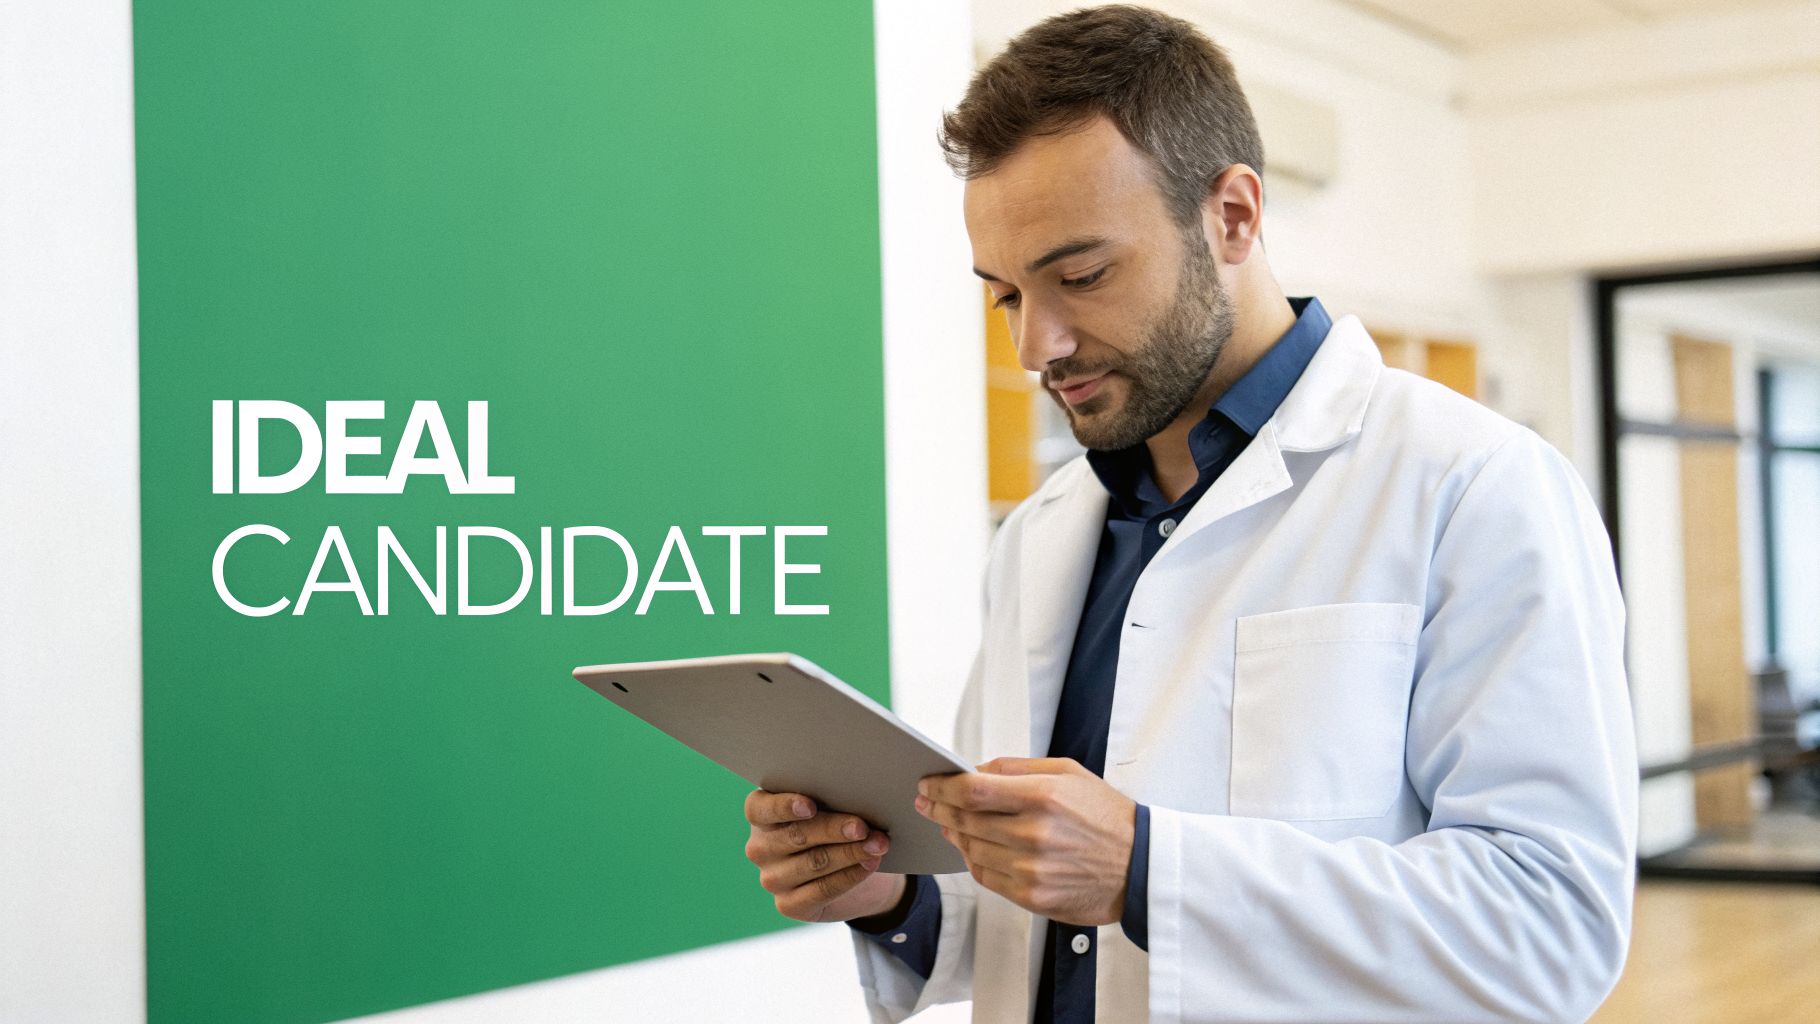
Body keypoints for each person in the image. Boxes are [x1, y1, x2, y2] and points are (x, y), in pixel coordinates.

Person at [741, 5, 1637, 1022]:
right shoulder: (1042, 536)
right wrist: (894, 896)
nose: (1036, 344)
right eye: (1003, 296)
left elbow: (1548, 925)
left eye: (1080, 275)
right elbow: (1033, 924)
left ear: (1233, 217)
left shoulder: (1472, 486)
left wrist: (1151, 868)